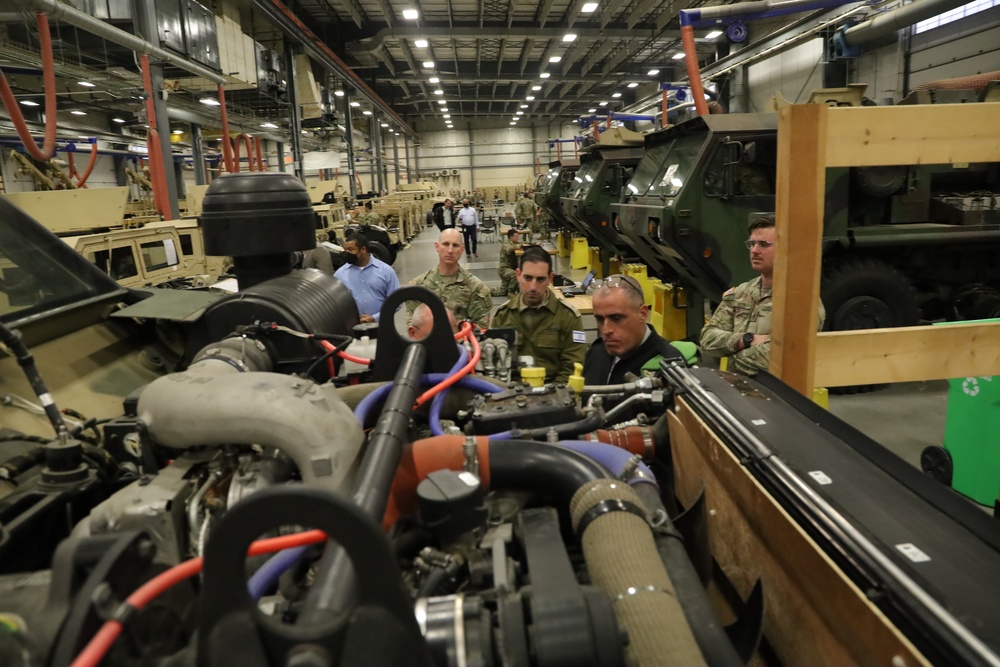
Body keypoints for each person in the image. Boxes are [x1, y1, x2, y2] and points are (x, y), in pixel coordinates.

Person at [700, 214, 826, 376]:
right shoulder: (741, 292)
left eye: (764, 244)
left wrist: (732, 354)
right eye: (752, 244)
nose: (754, 250)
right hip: (738, 389)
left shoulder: (801, 299)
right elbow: (707, 338)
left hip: (779, 394)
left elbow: (783, 356)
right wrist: (746, 339)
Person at [492, 246, 587, 384]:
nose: (533, 287)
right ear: (518, 275)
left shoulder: (568, 317)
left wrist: (549, 397)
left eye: (540, 279)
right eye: (528, 278)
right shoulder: (503, 315)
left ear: (550, 278)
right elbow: (496, 365)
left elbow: (573, 367)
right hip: (513, 394)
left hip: (555, 394)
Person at [584, 273, 685, 387]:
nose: (606, 330)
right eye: (600, 319)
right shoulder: (596, 353)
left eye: (616, 318)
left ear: (642, 313)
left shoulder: (669, 367)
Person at [408, 228, 493, 329]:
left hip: (463, 343)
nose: (450, 250)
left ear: (462, 250)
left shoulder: (476, 288)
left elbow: (481, 332)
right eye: (445, 244)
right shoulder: (418, 287)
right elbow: (413, 330)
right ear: (437, 247)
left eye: (455, 245)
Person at [333, 232, 399, 323]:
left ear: (363, 249)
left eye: (350, 249)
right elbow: (335, 304)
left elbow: (395, 302)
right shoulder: (339, 274)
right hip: (353, 329)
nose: (346, 253)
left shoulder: (386, 271)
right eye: (345, 250)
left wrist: (375, 318)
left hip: (381, 326)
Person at [492, 228, 520, 297]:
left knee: (502, 292)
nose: (518, 238)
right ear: (511, 237)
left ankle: (491, 292)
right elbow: (509, 249)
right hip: (504, 269)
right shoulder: (506, 244)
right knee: (514, 274)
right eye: (516, 236)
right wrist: (518, 246)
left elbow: (522, 244)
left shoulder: (514, 243)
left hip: (509, 268)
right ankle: (511, 292)